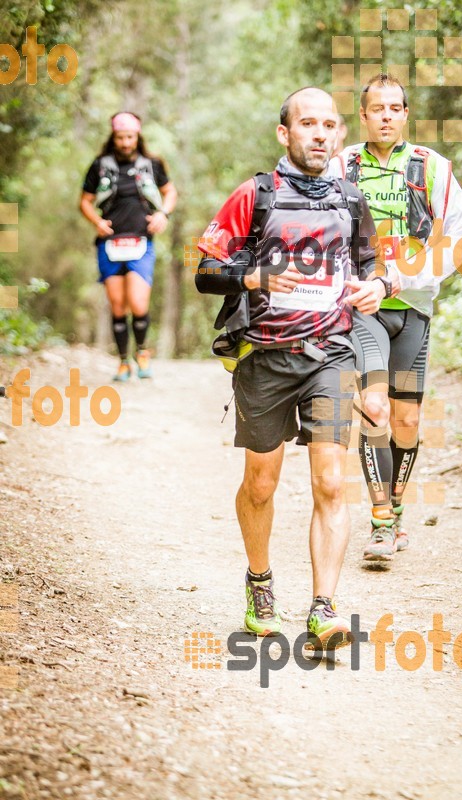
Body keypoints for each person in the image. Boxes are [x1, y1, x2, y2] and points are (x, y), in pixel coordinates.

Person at [196, 87, 387, 649]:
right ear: (285, 132)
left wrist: (373, 287)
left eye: (329, 124)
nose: (320, 134)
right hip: (264, 360)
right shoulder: (254, 195)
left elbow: (372, 265)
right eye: (308, 123)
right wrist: (251, 277)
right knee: (261, 483)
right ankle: (260, 584)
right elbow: (206, 268)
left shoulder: (350, 199)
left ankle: (324, 609)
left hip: (330, 355)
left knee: (331, 480)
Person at [329, 74, 462, 564]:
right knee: (374, 407)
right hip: (361, 309)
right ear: (363, 115)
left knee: (407, 420)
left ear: (406, 115)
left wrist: (402, 279)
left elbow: (460, 239)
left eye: (395, 107)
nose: (386, 115)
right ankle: (381, 523)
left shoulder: (432, 167)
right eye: (377, 108)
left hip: (412, 307)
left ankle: (396, 508)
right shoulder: (341, 165)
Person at [80, 112, 177, 381]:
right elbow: (85, 201)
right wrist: (97, 222)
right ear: (113, 137)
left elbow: (170, 192)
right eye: (121, 137)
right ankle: (123, 362)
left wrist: (162, 215)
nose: (125, 142)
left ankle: (142, 352)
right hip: (109, 242)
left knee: (138, 302)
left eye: (130, 137)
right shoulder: (100, 165)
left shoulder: (151, 164)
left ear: (138, 137)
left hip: (141, 241)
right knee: (118, 305)